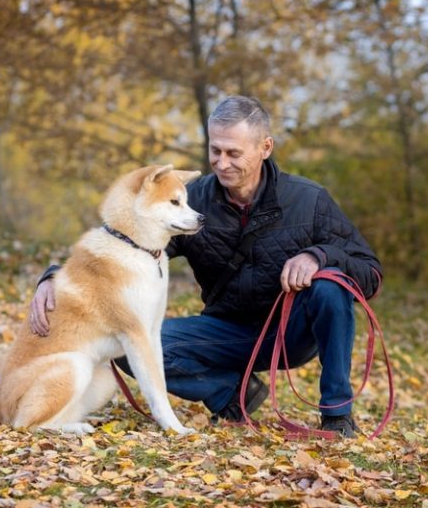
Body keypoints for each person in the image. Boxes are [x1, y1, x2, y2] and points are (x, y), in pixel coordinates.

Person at [30, 95, 382, 437]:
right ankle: (232, 394)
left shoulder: (309, 199)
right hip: (224, 332)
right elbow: (123, 245)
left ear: (265, 147)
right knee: (125, 343)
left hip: (293, 333)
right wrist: (55, 278)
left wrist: (318, 256)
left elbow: (370, 273)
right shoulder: (191, 200)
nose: (222, 163)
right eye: (216, 150)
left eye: (234, 153)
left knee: (331, 285)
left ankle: (337, 416)